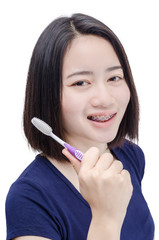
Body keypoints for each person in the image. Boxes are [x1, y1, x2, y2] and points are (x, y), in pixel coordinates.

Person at [5, 13, 155, 240]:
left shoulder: (132, 157)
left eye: (114, 78)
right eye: (81, 82)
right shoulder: (29, 198)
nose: (105, 98)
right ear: (48, 95)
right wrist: (106, 217)